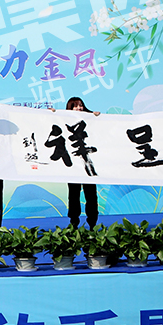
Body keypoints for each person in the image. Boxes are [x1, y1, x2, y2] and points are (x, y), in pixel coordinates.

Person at [65, 97, 101, 229]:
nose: (79, 108)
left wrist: (96, 117)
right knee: (73, 195)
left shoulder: (90, 119)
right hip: (74, 166)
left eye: (80, 105)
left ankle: (93, 223)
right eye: (75, 106)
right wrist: (52, 113)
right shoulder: (63, 120)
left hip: (89, 165)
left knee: (91, 195)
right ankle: (74, 222)